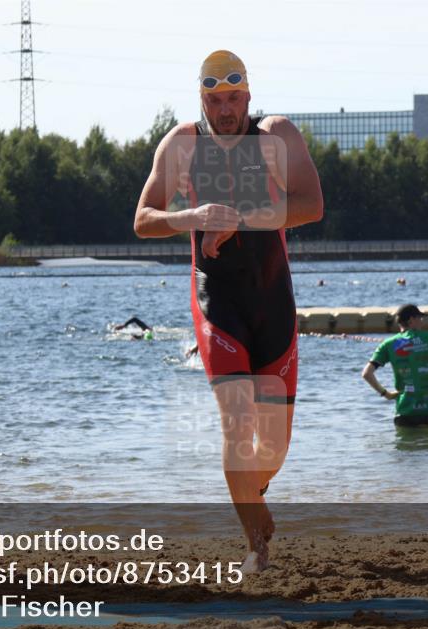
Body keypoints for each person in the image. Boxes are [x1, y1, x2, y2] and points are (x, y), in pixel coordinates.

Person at [133, 49, 323, 571]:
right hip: (218, 304)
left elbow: (311, 205)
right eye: (215, 100)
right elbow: (143, 220)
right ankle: (254, 545)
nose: (225, 110)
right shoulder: (182, 143)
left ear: (249, 96)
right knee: (237, 428)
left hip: (273, 302)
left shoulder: (277, 135)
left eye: (234, 98)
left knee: (274, 447)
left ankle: (252, 494)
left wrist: (239, 217)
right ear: (202, 99)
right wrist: (194, 214)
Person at [362, 304, 428, 427]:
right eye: (420, 318)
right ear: (411, 320)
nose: (422, 322)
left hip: (405, 410)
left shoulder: (388, 344)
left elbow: (366, 373)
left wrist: (385, 394)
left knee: (406, 444)